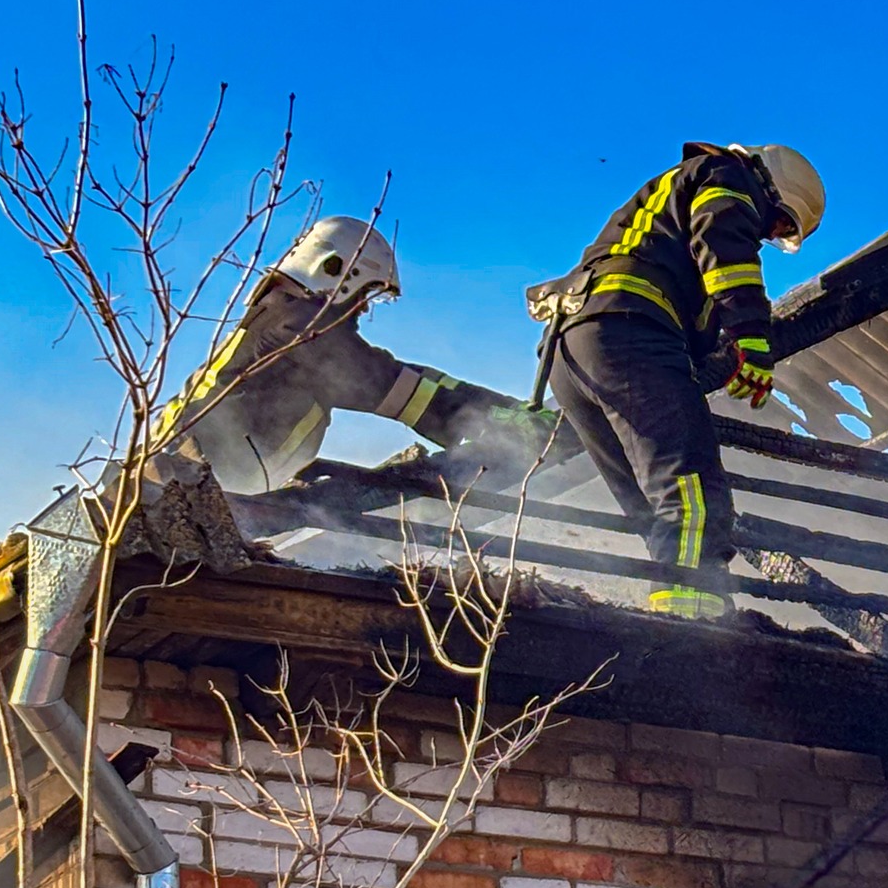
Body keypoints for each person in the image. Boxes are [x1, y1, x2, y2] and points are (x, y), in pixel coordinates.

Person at [535, 142, 826, 618]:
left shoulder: (668, 212)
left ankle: (673, 600)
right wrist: (752, 338)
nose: (769, 234)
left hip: (571, 352)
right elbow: (725, 246)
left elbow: (695, 306)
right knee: (691, 492)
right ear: (773, 188)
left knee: (656, 511)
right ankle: (694, 622)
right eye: (779, 222)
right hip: (628, 333)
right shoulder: (728, 176)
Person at [155, 216, 550, 494]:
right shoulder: (300, 323)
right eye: (365, 293)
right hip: (193, 482)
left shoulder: (279, 315)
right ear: (337, 272)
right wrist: (496, 415)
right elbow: (390, 386)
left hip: (193, 478)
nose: (362, 308)